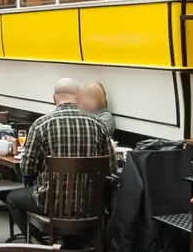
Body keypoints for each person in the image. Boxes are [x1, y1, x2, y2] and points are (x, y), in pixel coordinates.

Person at [6, 77, 113, 241]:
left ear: (54, 98)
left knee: (12, 199)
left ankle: (42, 247)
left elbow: (26, 169)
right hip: (88, 205)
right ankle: (70, 251)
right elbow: (110, 167)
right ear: (78, 97)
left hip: (50, 202)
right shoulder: (98, 125)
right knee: (75, 203)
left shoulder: (41, 125)